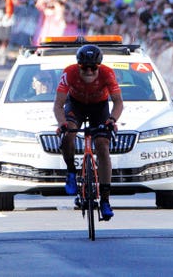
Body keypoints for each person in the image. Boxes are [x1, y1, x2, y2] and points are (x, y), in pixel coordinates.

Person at [53, 44, 124, 220]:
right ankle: (71, 172)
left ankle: (105, 200)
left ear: (99, 66)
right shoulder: (69, 72)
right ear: (79, 66)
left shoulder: (107, 73)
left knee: (102, 146)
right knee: (68, 134)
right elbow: (58, 105)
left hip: (99, 107)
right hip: (76, 105)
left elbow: (118, 103)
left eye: (94, 68)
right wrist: (62, 124)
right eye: (85, 67)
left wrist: (112, 121)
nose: (89, 71)